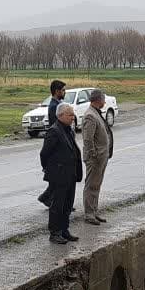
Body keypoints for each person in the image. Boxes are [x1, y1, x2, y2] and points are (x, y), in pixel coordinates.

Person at [39, 103, 82, 244]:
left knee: (68, 205)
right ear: (61, 115)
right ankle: (55, 233)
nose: (73, 117)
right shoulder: (54, 131)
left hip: (70, 174)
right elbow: (44, 153)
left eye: (73, 114)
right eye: (70, 115)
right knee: (57, 206)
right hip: (59, 175)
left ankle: (64, 230)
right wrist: (50, 169)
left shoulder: (68, 129)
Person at [80, 90, 113, 224]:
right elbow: (88, 140)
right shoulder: (90, 116)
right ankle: (89, 214)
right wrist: (94, 155)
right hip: (95, 158)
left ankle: (94, 211)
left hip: (101, 156)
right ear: (97, 100)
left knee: (96, 185)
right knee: (91, 185)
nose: (105, 102)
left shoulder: (96, 113)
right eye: (103, 99)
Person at [37, 79, 67, 207]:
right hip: (56, 142)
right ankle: (48, 199)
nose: (65, 92)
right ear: (57, 91)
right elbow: (57, 124)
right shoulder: (54, 106)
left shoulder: (58, 103)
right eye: (63, 90)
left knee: (57, 180)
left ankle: (50, 199)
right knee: (57, 179)